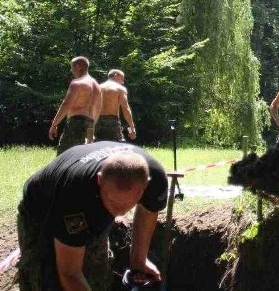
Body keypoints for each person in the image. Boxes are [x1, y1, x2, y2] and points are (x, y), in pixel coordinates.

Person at [16, 141, 168, 291]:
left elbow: (148, 211)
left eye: (129, 203)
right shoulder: (74, 198)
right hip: (40, 209)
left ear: (146, 186)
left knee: (97, 276)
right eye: (113, 202)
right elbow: (70, 273)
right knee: (43, 279)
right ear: (99, 180)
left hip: (90, 201)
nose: (120, 211)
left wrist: (138, 260)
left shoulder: (155, 179)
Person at [49, 56, 102, 155]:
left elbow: (66, 104)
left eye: (72, 67)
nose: (71, 70)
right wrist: (92, 126)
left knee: (64, 155)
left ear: (77, 67)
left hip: (77, 123)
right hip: (90, 124)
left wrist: (54, 125)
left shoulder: (77, 83)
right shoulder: (97, 86)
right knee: (86, 155)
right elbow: (98, 108)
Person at [95, 69, 136, 142]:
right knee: (117, 146)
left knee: (97, 146)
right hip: (112, 122)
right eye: (122, 79)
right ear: (115, 76)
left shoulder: (97, 88)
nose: (122, 82)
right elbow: (125, 108)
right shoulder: (120, 89)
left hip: (97, 121)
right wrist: (132, 128)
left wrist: (89, 129)